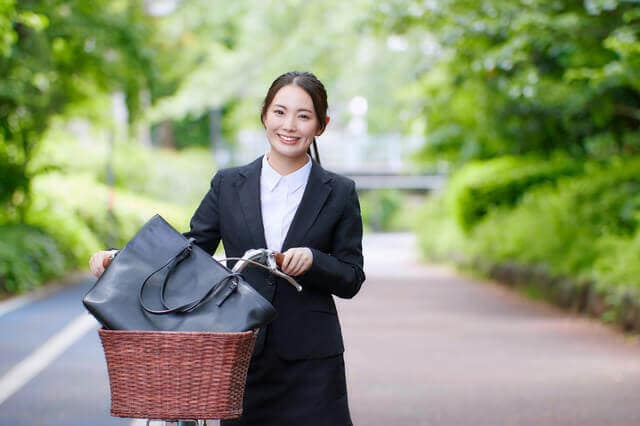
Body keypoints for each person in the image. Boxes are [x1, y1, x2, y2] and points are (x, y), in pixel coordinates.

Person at [89, 71, 365, 425]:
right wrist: (120, 260)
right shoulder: (229, 183)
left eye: (304, 115)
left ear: (321, 125)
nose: (290, 125)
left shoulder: (339, 191)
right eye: (280, 112)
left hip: (312, 362)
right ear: (264, 115)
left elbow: (352, 277)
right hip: (240, 354)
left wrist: (314, 261)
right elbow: (189, 249)